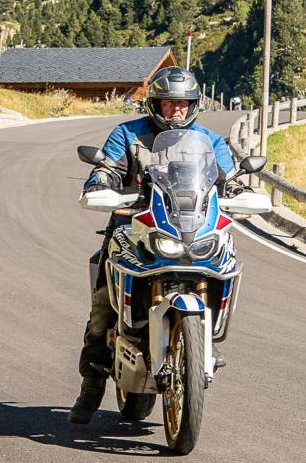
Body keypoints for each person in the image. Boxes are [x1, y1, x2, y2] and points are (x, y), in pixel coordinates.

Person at [69, 66, 246, 425]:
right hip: (135, 228)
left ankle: (201, 346)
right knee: (103, 307)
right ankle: (91, 384)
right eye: (169, 104)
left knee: (224, 263)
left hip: (193, 229)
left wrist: (241, 190)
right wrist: (100, 182)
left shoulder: (210, 141)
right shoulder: (128, 133)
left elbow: (229, 178)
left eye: (183, 104)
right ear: (155, 104)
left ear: (194, 106)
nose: (176, 110)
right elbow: (106, 168)